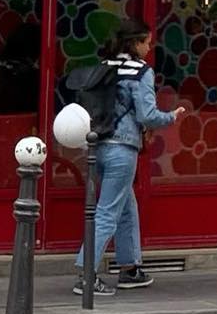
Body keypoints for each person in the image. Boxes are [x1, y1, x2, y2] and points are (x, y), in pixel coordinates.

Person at [72, 17, 185, 296]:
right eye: (147, 43)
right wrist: (171, 117)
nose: (149, 48)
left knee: (126, 207)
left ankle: (130, 268)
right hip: (122, 148)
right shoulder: (141, 71)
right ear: (135, 43)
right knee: (107, 212)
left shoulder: (105, 65)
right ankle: (86, 275)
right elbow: (147, 115)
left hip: (97, 145)